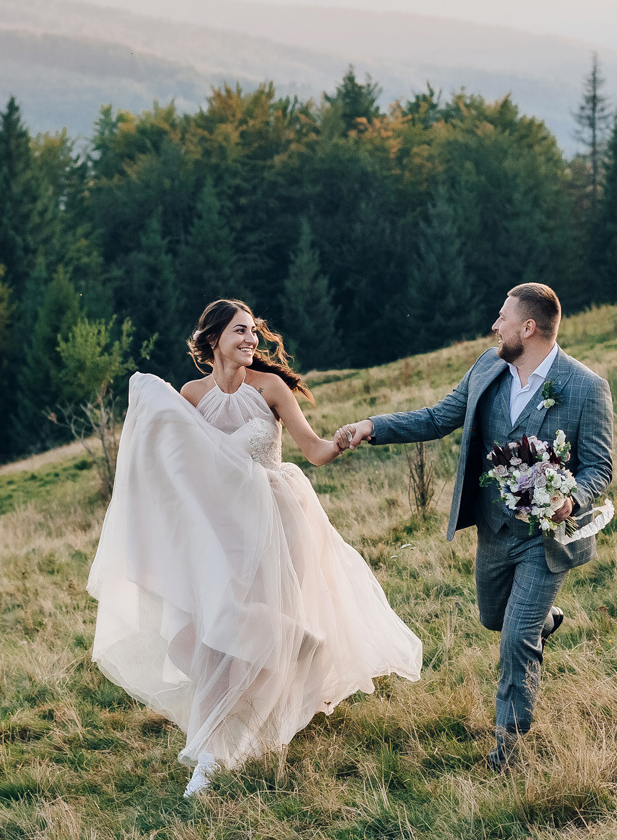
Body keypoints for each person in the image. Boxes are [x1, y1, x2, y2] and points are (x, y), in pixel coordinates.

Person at [88, 299, 423, 796]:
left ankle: (215, 755)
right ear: (213, 340)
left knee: (249, 630)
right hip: (221, 530)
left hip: (279, 522)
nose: (251, 340)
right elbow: (181, 464)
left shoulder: (270, 389)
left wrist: (344, 439)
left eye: (253, 332)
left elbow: (314, 451)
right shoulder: (191, 395)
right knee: (209, 637)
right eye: (240, 332)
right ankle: (248, 718)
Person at [333, 282, 613, 771]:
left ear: (529, 328)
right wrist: (372, 427)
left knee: (516, 639)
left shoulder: (586, 387)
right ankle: (546, 621)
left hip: (546, 540)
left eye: (503, 318)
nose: (494, 325)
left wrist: (572, 499)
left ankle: (509, 749)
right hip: (495, 529)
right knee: (493, 617)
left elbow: (599, 467)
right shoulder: (488, 366)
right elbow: (438, 418)